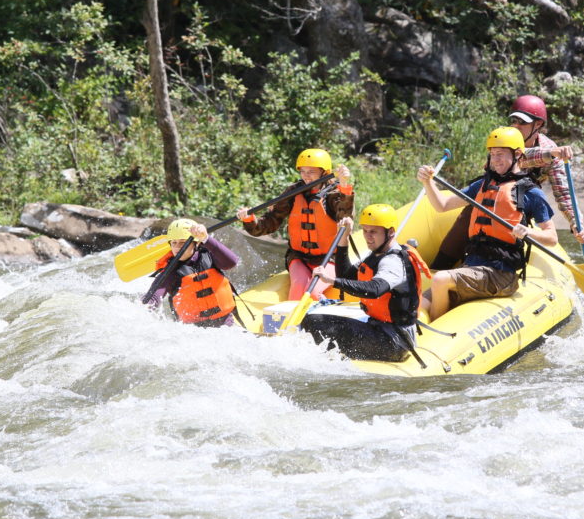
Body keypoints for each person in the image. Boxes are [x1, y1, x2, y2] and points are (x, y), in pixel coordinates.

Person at [416, 127, 560, 322]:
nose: (495, 160)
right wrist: (428, 183)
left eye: (500, 154)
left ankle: (433, 332)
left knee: (440, 279)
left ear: (517, 154)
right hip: (472, 268)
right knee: (418, 305)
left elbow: (551, 237)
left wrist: (527, 232)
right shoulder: (483, 185)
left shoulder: (529, 192)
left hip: (500, 275)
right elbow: (442, 205)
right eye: (492, 155)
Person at [301, 204, 429, 362]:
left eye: (373, 232)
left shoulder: (393, 261)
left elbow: (375, 289)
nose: (368, 237)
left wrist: (331, 280)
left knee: (315, 322)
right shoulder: (377, 254)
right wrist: (344, 238)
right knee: (312, 320)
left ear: (390, 232)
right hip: (380, 330)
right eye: (365, 231)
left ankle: (325, 363)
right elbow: (346, 275)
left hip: (393, 341)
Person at [236, 148, 353, 300]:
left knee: (312, 294)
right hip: (299, 257)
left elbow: (345, 218)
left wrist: (344, 186)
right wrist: (249, 220)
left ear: (324, 172)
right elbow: (270, 222)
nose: (306, 176)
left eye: (311, 171)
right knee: (297, 290)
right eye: (303, 171)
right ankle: (292, 323)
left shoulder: (334, 194)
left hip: (330, 259)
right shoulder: (293, 192)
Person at [508, 94, 584, 244]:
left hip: (522, 204)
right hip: (493, 195)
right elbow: (520, 158)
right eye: (514, 121)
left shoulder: (552, 151)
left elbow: (564, 193)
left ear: (537, 124)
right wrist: (549, 153)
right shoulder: (504, 138)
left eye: (522, 122)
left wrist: (576, 222)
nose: (515, 126)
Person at [144, 218, 241, 328]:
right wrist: (145, 307)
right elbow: (155, 295)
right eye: (174, 243)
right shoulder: (171, 271)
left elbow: (232, 262)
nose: (177, 247)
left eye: (182, 243)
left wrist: (206, 238)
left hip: (225, 324)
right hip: (193, 331)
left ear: (196, 243)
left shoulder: (209, 256)